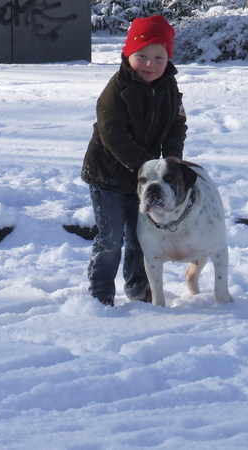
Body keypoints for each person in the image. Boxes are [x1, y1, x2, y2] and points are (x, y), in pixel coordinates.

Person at [81, 14, 187, 306]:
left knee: (142, 237)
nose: (150, 64)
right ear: (128, 55)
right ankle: (101, 292)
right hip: (109, 178)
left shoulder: (170, 91)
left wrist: (173, 156)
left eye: (158, 56)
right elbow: (112, 134)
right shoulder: (116, 90)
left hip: (146, 180)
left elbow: (177, 125)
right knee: (111, 238)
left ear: (168, 58)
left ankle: (139, 286)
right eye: (142, 56)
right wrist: (148, 166)